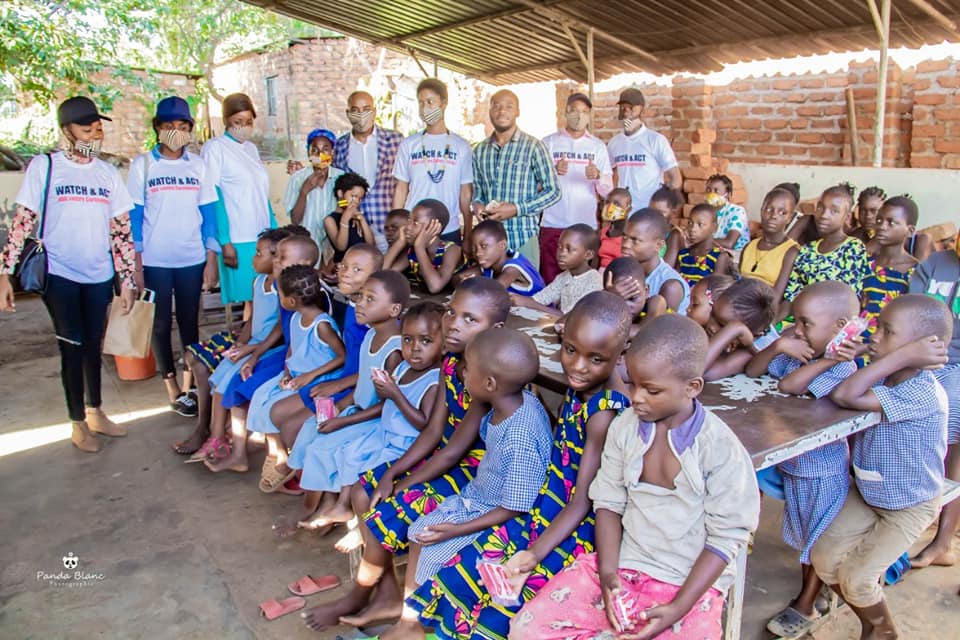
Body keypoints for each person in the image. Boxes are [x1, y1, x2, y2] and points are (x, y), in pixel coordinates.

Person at [510, 314, 760, 640]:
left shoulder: (720, 448)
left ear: (692, 387)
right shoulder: (625, 428)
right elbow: (608, 504)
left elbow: (726, 538)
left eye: (652, 390)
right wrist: (609, 575)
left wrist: (678, 607)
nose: (637, 397)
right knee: (527, 630)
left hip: (688, 584)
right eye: (634, 384)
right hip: (624, 565)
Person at [409, 292, 631, 639]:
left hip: (568, 529)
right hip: (543, 507)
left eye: (596, 358)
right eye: (570, 350)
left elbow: (582, 502)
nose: (578, 366)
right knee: (462, 575)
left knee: (503, 605)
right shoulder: (583, 388)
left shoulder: (604, 412)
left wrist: (534, 551)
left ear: (621, 355)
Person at [300, 278, 511, 631]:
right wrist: (390, 473)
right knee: (362, 490)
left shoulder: (487, 375)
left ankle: (362, 595)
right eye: (451, 314)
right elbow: (433, 431)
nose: (455, 325)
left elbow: (458, 448)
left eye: (470, 320)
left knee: (391, 502)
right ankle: (385, 594)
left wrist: (404, 481)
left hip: (473, 468)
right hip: (444, 454)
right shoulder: (450, 364)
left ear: (497, 329)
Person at [378, 327, 553, 640]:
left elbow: (514, 506)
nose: (462, 372)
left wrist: (459, 530)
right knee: (419, 532)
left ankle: (431, 626)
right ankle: (412, 622)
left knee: (433, 552)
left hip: (500, 511)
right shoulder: (507, 402)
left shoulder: (519, 435)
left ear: (489, 383)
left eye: (467, 369)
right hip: (480, 496)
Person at [0, 96, 137, 452]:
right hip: (60, 273)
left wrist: (127, 280)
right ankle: (77, 421)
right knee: (71, 347)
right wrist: (5, 273)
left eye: (98, 127)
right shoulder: (45, 167)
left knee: (93, 344)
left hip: (98, 274)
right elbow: (23, 221)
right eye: (86, 128)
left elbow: (121, 230)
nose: (95, 133)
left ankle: (96, 411)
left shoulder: (107, 173)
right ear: (67, 131)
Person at [820, 294, 951, 640]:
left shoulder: (922, 391)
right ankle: (871, 621)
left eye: (887, 331)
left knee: (858, 578)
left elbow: (845, 396)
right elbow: (845, 390)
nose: (875, 336)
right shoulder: (883, 379)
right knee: (823, 559)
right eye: (877, 327)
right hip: (868, 493)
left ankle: (882, 629)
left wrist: (904, 357)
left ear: (922, 348)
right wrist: (874, 354)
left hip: (909, 504)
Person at [745, 282, 860, 638]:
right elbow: (754, 371)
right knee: (806, 535)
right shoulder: (801, 351)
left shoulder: (843, 368)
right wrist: (779, 346)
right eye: (795, 322)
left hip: (822, 470)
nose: (797, 330)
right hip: (794, 466)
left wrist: (828, 358)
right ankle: (816, 588)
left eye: (806, 323)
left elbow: (789, 386)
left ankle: (806, 602)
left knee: (817, 541)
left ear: (841, 326)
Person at [299, 301, 445, 535]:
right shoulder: (403, 369)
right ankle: (341, 507)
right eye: (407, 340)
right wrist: (385, 390)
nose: (415, 348)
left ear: (444, 345)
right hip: (383, 433)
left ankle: (357, 522)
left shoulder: (435, 381)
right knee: (350, 454)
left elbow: (424, 423)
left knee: (364, 468)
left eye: (425, 341)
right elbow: (385, 404)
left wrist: (395, 394)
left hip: (403, 444)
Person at [280, 270, 408, 528]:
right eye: (361, 296)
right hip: (358, 409)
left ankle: (328, 508)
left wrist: (344, 421)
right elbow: (363, 383)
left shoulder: (394, 351)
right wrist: (341, 405)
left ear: (394, 309)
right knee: (311, 431)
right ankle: (326, 505)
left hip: (374, 419)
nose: (360, 303)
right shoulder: (371, 334)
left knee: (325, 447)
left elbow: (387, 405)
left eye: (370, 299)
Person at [128, 96, 219, 416]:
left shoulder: (198, 165)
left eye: (182, 126)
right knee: (160, 323)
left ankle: (190, 385)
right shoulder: (143, 165)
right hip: (155, 260)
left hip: (191, 257)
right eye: (169, 126)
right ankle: (170, 384)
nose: (176, 132)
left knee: (189, 322)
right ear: (157, 128)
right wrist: (136, 261)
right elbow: (135, 216)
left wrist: (211, 256)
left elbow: (209, 214)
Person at [201, 236, 322, 472]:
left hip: (294, 361)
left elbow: (294, 336)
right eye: (275, 255)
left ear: (305, 263)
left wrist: (265, 357)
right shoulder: (280, 288)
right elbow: (286, 329)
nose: (276, 261)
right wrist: (252, 353)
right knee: (239, 384)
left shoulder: (309, 299)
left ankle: (269, 461)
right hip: (286, 357)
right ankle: (237, 450)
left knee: (251, 391)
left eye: (281, 257)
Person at [184, 229, 288, 462]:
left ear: (276, 258)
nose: (253, 258)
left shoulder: (282, 288)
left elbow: (280, 328)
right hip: (252, 344)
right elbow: (252, 321)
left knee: (228, 384)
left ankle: (218, 437)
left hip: (267, 348)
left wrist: (251, 349)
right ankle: (216, 435)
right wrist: (240, 344)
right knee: (218, 379)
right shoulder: (258, 282)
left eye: (259, 253)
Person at [240, 265, 346, 484]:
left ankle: (282, 459)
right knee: (261, 396)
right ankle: (277, 453)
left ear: (290, 301)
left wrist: (309, 376)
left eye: (280, 293)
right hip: (297, 375)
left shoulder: (322, 325)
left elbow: (341, 357)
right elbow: (292, 349)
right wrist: (288, 371)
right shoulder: (296, 318)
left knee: (272, 408)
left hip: (319, 379)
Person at [909, 242, 960, 568]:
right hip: (923, 358)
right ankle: (918, 511)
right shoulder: (936, 263)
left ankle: (944, 541)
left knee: (951, 415)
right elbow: (912, 311)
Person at [471, 90, 561, 268]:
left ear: (517, 112)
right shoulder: (480, 150)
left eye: (508, 107)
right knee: (493, 293)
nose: (502, 111)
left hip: (522, 237)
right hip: (490, 242)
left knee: (524, 292)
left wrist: (516, 209)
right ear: (490, 112)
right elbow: (478, 193)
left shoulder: (533, 146)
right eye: (496, 106)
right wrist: (478, 206)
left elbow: (554, 191)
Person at [202, 93, 276, 304]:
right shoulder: (215, 148)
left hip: (262, 237)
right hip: (238, 238)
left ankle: (255, 336)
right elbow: (213, 197)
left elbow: (261, 193)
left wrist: (275, 231)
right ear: (226, 120)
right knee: (248, 298)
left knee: (265, 298)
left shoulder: (251, 149)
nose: (244, 126)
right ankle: (247, 336)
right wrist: (225, 242)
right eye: (238, 122)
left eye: (249, 122)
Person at [540, 93, 613, 283]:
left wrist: (597, 176)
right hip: (553, 222)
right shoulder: (548, 143)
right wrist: (552, 173)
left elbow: (608, 191)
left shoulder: (597, 147)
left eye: (584, 112)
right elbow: (534, 185)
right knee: (551, 278)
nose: (579, 116)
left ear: (589, 115)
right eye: (574, 110)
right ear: (566, 112)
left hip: (585, 225)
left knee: (581, 281)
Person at [393, 79, 473, 246]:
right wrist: (396, 225)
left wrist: (468, 233)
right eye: (421, 103)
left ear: (444, 104)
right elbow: (401, 188)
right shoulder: (409, 144)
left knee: (447, 271)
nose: (425, 108)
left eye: (430, 102)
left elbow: (465, 192)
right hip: (414, 228)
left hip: (448, 228)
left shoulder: (461, 146)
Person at [780, 183, 871, 320]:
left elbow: (846, 301)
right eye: (821, 207)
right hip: (799, 321)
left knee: (783, 342)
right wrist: (769, 329)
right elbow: (790, 298)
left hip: (832, 325)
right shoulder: (807, 250)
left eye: (834, 211)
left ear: (847, 217)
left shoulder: (853, 248)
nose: (823, 215)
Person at [333, 90, 403, 235]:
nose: (361, 115)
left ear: (374, 112)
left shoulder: (395, 140)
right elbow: (338, 188)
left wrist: (400, 219)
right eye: (355, 110)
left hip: (388, 226)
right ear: (348, 113)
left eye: (366, 110)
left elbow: (405, 183)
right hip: (356, 228)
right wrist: (346, 214)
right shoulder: (339, 146)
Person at [859, 196, 919, 359]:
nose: (882, 227)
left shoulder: (915, 272)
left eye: (891, 222)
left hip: (888, 351)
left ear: (910, 231)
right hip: (853, 343)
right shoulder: (864, 263)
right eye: (879, 220)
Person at [607, 88, 681, 212]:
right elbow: (610, 175)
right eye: (623, 107)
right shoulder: (614, 143)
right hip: (622, 213)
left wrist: (665, 208)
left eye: (631, 107)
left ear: (641, 109)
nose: (626, 112)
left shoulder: (655, 140)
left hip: (648, 211)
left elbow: (675, 178)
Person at [514, 223, 602, 316]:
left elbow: (570, 317)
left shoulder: (594, 281)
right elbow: (541, 298)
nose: (561, 254)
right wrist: (515, 299)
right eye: (560, 247)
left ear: (588, 255)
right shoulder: (563, 277)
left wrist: (529, 303)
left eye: (569, 249)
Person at [703, 277, 778, 380]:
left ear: (753, 335)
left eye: (722, 326)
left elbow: (697, 372)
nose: (711, 326)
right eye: (712, 313)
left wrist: (734, 329)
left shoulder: (755, 349)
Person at [384, 199, 462, 293]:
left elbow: (435, 287)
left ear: (434, 227)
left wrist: (419, 247)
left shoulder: (452, 250)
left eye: (415, 223)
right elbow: (384, 274)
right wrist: (400, 242)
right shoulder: (412, 251)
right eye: (409, 221)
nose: (407, 227)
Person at [620, 208, 690, 314]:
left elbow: (659, 329)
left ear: (658, 245)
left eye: (635, 240)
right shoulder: (624, 271)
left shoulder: (670, 286)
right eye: (624, 237)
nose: (625, 244)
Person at [739, 183, 800, 302]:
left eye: (782, 212)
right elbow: (739, 282)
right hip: (740, 303)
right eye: (769, 209)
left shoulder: (791, 251)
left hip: (765, 309)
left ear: (790, 218)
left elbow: (776, 297)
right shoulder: (749, 247)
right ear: (762, 210)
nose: (773, 216)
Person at [285, 128, 343, 251]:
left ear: (332, 153)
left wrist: (342, 201)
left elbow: (346, 207)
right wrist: (304, 192)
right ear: (308, 153)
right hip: (307, 244)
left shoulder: (341, 177)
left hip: (333, 244)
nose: (319, 155)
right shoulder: (297, 178)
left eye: (325, 149)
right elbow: (295, 220)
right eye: (314, 150)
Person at [467, 219, 545, 297]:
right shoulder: (491, 261)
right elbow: (458, 278)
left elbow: (492, 293)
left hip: (538, 308)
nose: (478, 253)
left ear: (503, 245)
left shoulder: (513, 269)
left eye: (484, 246)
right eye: (473, 249)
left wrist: (469, 286)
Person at [322, 172, 374, 267]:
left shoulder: (358, 218)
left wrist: (362, 221)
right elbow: (341, 247)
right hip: (344, 267)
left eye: (360, 199)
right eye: (353, 196)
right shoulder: (330, 220)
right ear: (340, 193)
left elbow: (371, 246)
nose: (356, 201)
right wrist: (345, 219)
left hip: (363, 265)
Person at [676, 204, 731, 286]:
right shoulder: (683, 254)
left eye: (700, 224)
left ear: (714, 228)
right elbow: (676, 280)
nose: (693, 229)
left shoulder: (719, 256)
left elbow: (715, 289)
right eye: (690, 223)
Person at [705, 173, 750, 252]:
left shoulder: (737, 211)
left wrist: (701, 242)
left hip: (735, 255)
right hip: (712, 252)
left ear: (727, 195)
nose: (711, 194)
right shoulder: (705, 212)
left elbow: (729, 243)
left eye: (716, 191)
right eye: (709, 190)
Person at [649, 184, 686, 268]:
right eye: (651, 210)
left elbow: (667, 267)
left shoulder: (674, 235)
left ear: (673, 213)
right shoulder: (650, 231)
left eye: (660, 212)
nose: (654, 215)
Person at [597, 188, 632, 269]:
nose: (610, 207)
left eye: (617, 204)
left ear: (628, 209)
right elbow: (596, 262)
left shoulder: (631, 235)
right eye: (608, 202)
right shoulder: (602, 233)